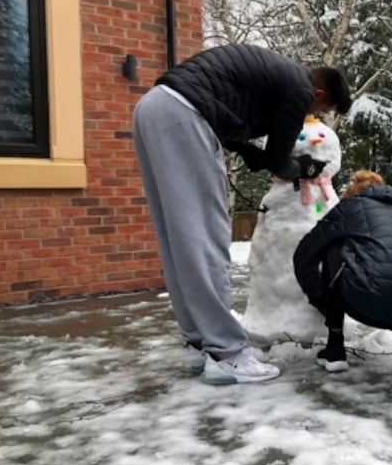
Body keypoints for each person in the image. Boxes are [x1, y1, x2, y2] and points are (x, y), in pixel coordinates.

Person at [132, 43, 352, 385]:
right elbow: (281, 161)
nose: (313, 115)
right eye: (320, 108)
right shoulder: (299, 88)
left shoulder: (276, 78)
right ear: (318, 91)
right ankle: (227, 353)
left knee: (178, 236)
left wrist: (249, 150)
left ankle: (198, 341)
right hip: (184, 114)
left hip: (154, 107)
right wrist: (302, 167)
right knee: (207, 237)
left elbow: (228, 116)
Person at [293, 170, 392, 386]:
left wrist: (319, 299)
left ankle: (335, 348)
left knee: (333, 247)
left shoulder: (349, 207)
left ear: (353, 193)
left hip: (369, 296)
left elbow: (304, 254)